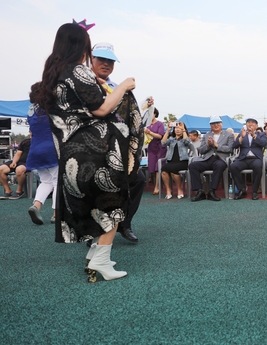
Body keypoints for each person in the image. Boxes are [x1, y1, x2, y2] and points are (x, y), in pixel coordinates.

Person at [32, 21, 142, 282]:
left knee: (94, 204)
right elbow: (102, 108)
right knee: (113, 204)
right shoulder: (77, 72)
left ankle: (94, 255)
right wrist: (123, 86)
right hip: (95, 150)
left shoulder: (53, 75)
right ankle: (101, 263)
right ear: (82, 47)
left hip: (71, 154)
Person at [90, 42, 143, 242]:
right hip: (93, 149)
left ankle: (124, 223)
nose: (106, 64)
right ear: (91, 60)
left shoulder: (116, 87)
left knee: (137, 179)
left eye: (110, 61)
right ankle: (92, 230)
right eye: (101, 59)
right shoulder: (84, 84)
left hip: (118, 149)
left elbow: (131, 119)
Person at [26, 84, 58, 225]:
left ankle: (36, 206)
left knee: (46, 181)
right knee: (58, 182)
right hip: (51, 149)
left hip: (35, 150)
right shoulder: (52, 110)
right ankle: (56, 214)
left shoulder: (30, 112)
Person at [189, 116, 234, 202]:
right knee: (192, 165)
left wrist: (217, 146)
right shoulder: (206, 135)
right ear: (210, 125)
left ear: (221, 124)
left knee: (219, 165)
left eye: (218, 123)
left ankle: (212, 191)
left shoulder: (229, 135)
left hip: (220, 159)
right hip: (207, 159)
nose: (216, 125)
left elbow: (230, 149)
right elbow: (201, 150)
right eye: (213, 124)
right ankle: (199, 191)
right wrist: (208, 145)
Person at [230, 116, 267, 200]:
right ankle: (241, 189)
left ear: (256, 126)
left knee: (258, 166)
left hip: (256, 158)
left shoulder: (261, 134)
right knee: (233, 166)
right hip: (244, 158)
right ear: (246, 125)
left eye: (253, 123)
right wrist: (242, 137)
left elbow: (263, 144)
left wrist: (254, 135)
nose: (250, 124)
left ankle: (254, 191)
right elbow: (234, 146)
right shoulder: (241, 134)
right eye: (248, 122)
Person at [160, 121, 194, 199]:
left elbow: (187, 142)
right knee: (164, 169)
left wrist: (184, 130)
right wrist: (168, 130)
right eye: (176, 128)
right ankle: (168, 190)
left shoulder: (185, 138)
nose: (177, 130)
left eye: (180, 128)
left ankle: (179, 189)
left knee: (173, 170)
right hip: (171, 161)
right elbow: (163, 143)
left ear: (183, 129)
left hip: (182, 161)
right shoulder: (172, 139)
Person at [143, 107, 167, 195]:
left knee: (158, 167)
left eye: (151, 114)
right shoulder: (147, 125)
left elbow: (160, 136)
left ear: (155, 114)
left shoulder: (160, 124)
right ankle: (159, 183)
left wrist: (149, 132)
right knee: (152, 168)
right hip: (151, 147)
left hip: (160, 147)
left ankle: (157, 187)